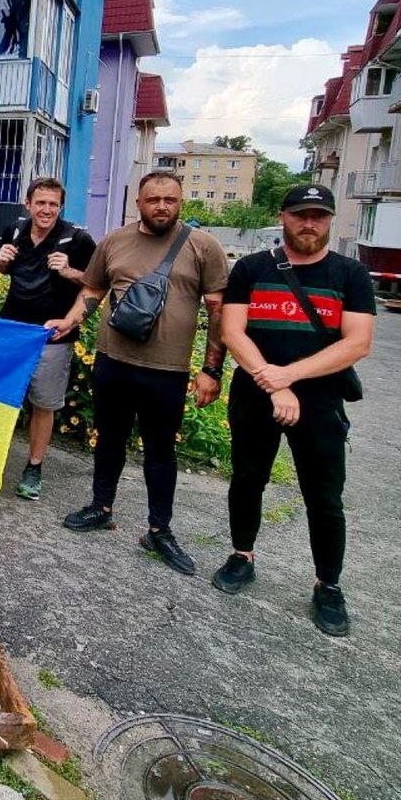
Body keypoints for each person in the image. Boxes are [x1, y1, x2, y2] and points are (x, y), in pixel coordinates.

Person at [216, 183, 376, 637]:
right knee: (248, 479)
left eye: (319, 216)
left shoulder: (349, 274)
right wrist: (271, 381)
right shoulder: (251, 268)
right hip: (255, 393)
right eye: (301, 215)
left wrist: (288, 378)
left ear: (330, 221)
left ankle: (328, 584)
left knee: (324, 497)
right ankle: (241, 555)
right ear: (283, 216)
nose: (309, 224)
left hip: (320, 400)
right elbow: (232, 332)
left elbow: (358, 342)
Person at [56, 171, 229, 573]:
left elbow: (218, 309)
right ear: (139, 203)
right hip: (113, 361)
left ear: (180, 202)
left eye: (170, 200)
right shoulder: (114, 241)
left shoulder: (203, 246)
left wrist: (211, 369)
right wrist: (70, 320)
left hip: (166, 370)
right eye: (153, 200)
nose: (162, 207)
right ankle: (101, 507)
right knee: (109, 440)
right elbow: (93, 289)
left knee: (160, 451)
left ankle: (159, 529)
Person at [0, 177, 95, 499]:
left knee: (43, 404)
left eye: (53, 204)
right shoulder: (14, 230)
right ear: (28, 204)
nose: (47, 210)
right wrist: (1, 261)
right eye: (40, 203)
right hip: (12, 332)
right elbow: (5, 269)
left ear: (61, 207)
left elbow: (97, 283)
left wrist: (70, 271)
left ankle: (34, 467)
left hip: (51, 335)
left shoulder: (78, 239)